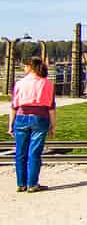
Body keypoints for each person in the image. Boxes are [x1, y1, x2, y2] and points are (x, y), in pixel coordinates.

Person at [8, 57, 56, 192]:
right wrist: (53, 126)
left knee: (20, 152)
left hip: (21, 117)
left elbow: (13, 106)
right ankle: (32, 184)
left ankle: (20, 183)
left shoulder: (19, 83)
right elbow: (51, 107)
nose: (24, 69)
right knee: (34, 152)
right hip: (40, 118)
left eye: (25, 66)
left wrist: (10, 124)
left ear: (30, 67)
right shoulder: (48, 84)